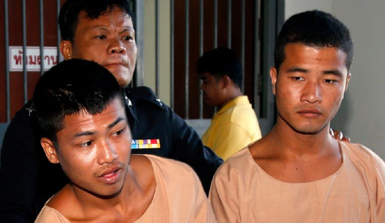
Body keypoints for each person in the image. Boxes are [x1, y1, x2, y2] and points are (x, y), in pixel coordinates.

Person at [0, 0, 222, 221]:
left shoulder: (154, 113)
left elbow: (217, 178)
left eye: (127, 37)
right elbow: (14, 212)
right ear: (68, 49)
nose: (118, 46)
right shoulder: (33, 124)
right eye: (101, 36)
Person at [209, 10, 385, 222]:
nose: (312, 96)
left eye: (329, 81)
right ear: (274, 79)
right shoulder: (234, 180)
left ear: (346, 85)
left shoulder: (372, 174)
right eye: (298, 78)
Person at [32, 59, 216, 222]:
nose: (109, 155)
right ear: (51, 151)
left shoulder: (178, 182)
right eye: (87, 143)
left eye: (117, 132)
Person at [197, 47, 261, 160]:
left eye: (206, 81)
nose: (202, 87)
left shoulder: (234, 121)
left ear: (225, 82)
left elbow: (219, 173)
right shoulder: (231, 114)